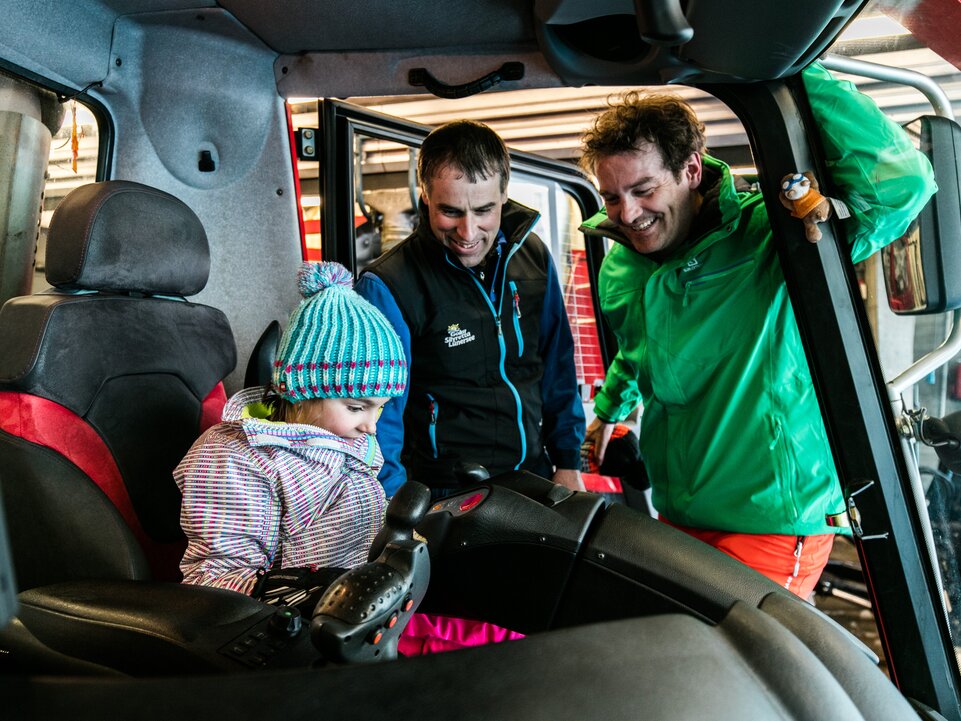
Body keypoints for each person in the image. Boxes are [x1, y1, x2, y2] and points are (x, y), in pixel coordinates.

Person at [578, 62, 937, 599]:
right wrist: (607, 412)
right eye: (611, 197)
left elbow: (903, 186)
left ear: (691, 171)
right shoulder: (622, 266)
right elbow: (638, 350)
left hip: (772, 520)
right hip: (677, 511)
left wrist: (786, 64)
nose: (627, 214)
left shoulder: (774, 236)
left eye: (644, 189)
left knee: (718, 673)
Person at [355, 120, 586, 498]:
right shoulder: (387, 286)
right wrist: (393, 507)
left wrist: (568, 462)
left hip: (534, 478)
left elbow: (557, 364)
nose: (468, 231)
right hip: (444, 492)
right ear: (426, 195)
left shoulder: (533, 259)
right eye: (450, 211)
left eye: (484, 210)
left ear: (504, 195)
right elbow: (379, 416)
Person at [175, 261, 408, 593]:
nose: (371, 427)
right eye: (357, 407)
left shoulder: (346, 438)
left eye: (381, 408)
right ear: (300, 391)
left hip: (359, 604)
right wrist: (308, 588)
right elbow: (216, 582)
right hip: (285, 624)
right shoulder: (236, 460)